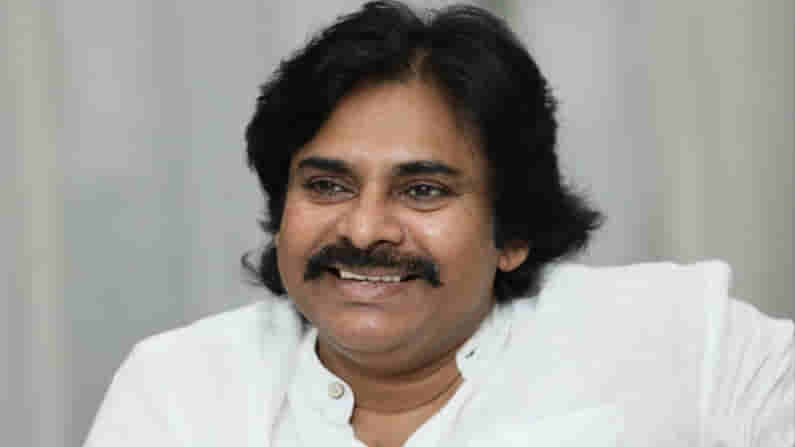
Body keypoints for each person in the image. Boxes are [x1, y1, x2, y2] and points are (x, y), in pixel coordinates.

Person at [84, 1, 793, 446]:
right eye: (327, 185)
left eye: (422, 190)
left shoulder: (677, 337)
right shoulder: (181, 388)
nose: (363, 229)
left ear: (512, 232)